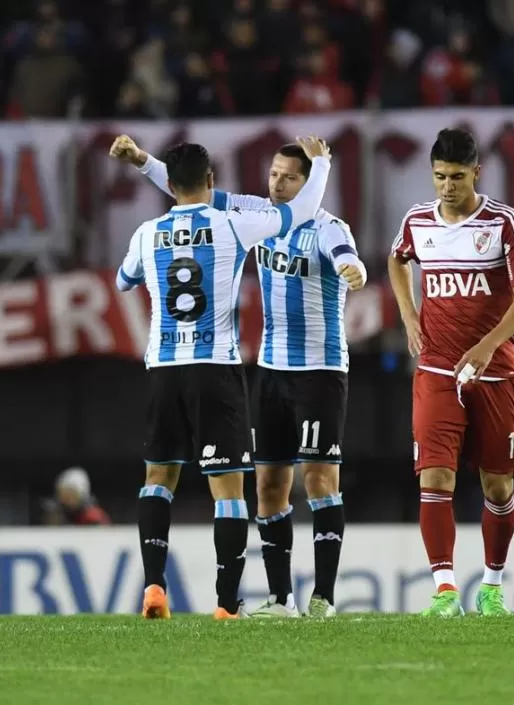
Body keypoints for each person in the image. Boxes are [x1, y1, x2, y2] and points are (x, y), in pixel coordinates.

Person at [111, 136, 366, 619]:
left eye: (291, 176)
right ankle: (271, 600)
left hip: (317, 369)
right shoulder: (248, 216)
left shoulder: (327, 227)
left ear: (306, 181)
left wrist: (353, 267)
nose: (278, 183)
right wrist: (146, 162)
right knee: (261, 487)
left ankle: (323, 598)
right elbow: (186, 186)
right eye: (273, 174)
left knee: (315, 481)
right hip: (262, 369)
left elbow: (342, 250)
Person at [388, 127, 514, 616]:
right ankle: (445, 590)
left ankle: (492, 586)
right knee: (434, 476)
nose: (447, 186)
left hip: (494, 372)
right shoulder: (417, 220)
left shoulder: (503, 222)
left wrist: (487, 345)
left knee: (498, 484)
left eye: (456, 177)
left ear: (477, 172)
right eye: (439, 177)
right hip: (435, 368)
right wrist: (410, 317)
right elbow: (396, 259)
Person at [41, 467, 110, 525]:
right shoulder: (55, 513)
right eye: (64, 494)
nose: (67, 498)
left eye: (71, 494)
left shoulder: (93, 516)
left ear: (82, 495)